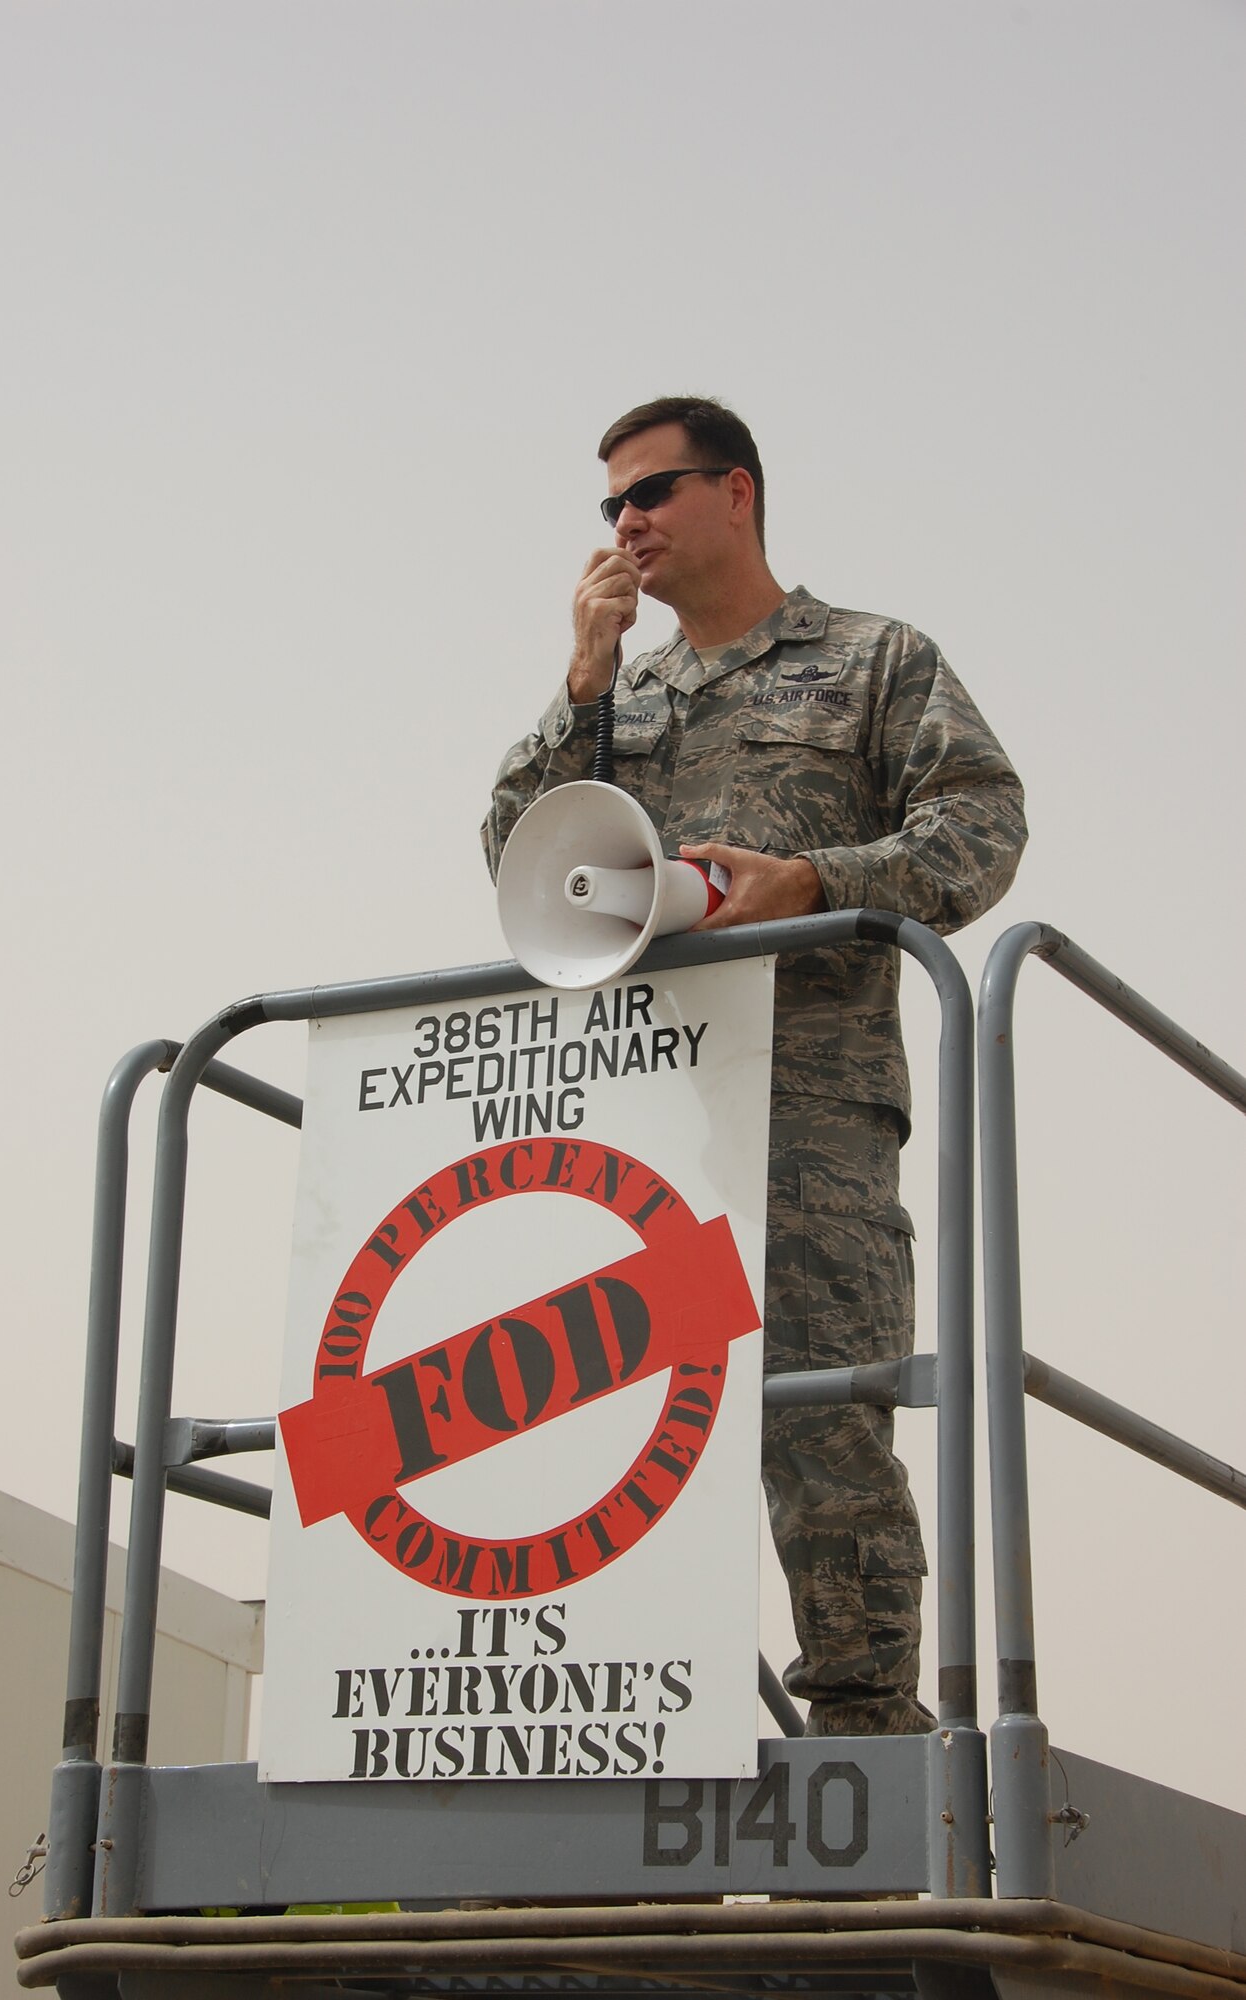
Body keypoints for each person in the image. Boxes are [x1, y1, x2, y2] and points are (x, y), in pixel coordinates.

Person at [481, 396, 1026, 1735]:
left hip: (810, 1102)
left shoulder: (871, 659)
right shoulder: (621, 690)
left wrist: (816, 880)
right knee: (606, 1415)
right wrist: (582, 686)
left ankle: (858, 1737)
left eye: (650, 493)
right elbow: (515, 852)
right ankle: (614, 1737)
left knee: (816, 1416)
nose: (625, 524)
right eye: (608, 506)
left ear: (736, 494)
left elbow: (980, 829)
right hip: (635, 1102)